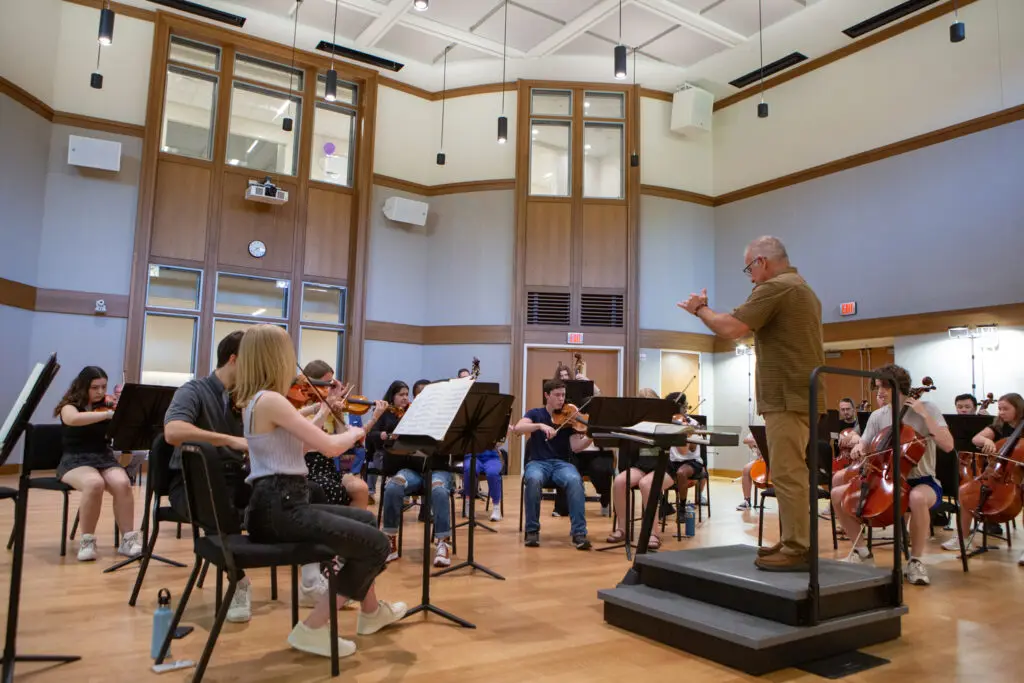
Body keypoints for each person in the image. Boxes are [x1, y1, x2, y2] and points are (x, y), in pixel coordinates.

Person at [234, 325, 406, 658]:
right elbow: (328, 448)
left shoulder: (255, 401)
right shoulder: (271, 400)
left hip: (273, 504)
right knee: (377, 544)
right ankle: (312, 628)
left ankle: (370, 613)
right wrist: (358, 432)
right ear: (275, 357)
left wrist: (326, 411)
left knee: (366, 525)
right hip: (283, 508)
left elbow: (294, 447)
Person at [679, 235, 824, 571]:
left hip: (788, 396)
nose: (750, 276)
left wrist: (699, 309)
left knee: (787, 474)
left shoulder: (777, 287)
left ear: (762, 262)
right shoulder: (802, 287)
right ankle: (793, 541)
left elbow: (729, 328)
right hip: (798, 395)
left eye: (749, 269)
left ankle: (799, 548)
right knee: (790, 472)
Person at [831, 364, 954, 586]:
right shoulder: (879, 415)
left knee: (916, 498)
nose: (880, 392)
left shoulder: (928, 408)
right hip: (885, 478)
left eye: (885, 386)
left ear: (900, 387)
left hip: (922, 481)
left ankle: (915, 560)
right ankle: (862, 553)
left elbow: (947, 445)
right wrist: (859, 447)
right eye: (878, 386)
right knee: (837, 494)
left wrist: (923, 414)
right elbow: (865, 442)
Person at [53, 366, 142, 562]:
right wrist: (107, 415)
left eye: (104, 387)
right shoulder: (70, 406)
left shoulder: (108, 405)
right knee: (94, 484)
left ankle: (128, 539)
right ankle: (87, 541)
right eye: (95, 388)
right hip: (75, 459)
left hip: (103, 457)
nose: (101, 392)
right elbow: (73, 419)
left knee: (122, 483)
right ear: (83, 387)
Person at [514, 379, 593, 549]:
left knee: (574, 480)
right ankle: (532, 530)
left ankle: (579, 533)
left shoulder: (569, 417)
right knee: (533, 480)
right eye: (557, 395)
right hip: (537, 463)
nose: (561, 399)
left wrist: (591, 437)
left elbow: (575, 447)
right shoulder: (535, 413)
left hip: (561, 464)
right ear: (546, 395)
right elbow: (519, 428)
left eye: (563, 395)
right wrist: (540, 426)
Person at [299, 360, 384, 511]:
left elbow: (346, 440)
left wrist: (337, 412)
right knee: (334, 490)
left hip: (328, 466)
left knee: (360, 488)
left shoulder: (330, 407)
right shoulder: (301, 406)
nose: (330, 390)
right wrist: (323, 409)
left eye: (332, 385)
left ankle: (354, 532)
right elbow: (308, 440)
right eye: (326, 385)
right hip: (307, 465)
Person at [606, 389, 684, 549]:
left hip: (664, 469)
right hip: (641, 466)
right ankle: (623, 529)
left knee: (647, 484)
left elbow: (682, 448)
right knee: (620, 481)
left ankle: (652, 533)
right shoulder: (635, 424)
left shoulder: (667, 422)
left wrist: (679, 429)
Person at [951, 393, 1024, 561]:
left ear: (1018, 409)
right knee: (967, 492)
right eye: (999, 408)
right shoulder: (999, 425)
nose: (1001, 412)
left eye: (1006, 409)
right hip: (998, 473)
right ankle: (962, 537)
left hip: (1019, 475)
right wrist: (987, 441)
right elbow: (976, 438)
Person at [736, 432, 764, 511]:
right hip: (760, 460)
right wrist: (757, 441)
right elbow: (746, 440)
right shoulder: (760, 429)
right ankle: (747, 500)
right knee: (746, 469)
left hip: (776, 461)